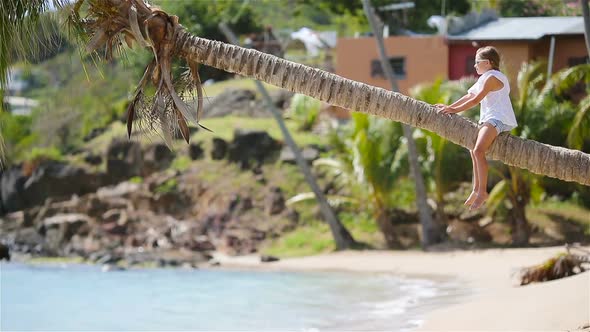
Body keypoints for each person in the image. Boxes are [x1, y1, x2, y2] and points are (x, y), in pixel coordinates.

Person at [435, 46, 517, 210]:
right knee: (474, 150)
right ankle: (476, 189)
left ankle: (482, 192)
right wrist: (449, 106)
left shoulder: (493, 77)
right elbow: (469, 96)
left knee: (478, 150)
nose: (474, 66)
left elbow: (476, 100)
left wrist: (453, 111)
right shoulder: (484, 78)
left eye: (477, 62)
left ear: (487, 63)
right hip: (489, 119)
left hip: (498, 119)